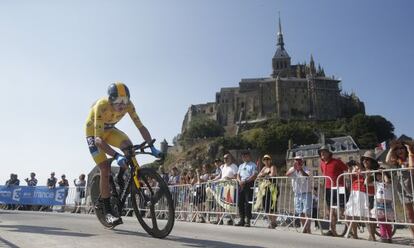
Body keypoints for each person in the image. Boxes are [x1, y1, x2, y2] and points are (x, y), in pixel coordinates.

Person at [85, 82, 161, 225]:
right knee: (105, 169)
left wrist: (152, 147)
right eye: (118, 101)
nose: (122, 105)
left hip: (110, 129)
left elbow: (140, 126)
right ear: (110, 99)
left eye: (125, 100)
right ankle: (107, 211)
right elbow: (98, 140)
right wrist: (116, 155)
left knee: (129, 147)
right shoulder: (101, 106)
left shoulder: (129, 106)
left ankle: (122, 176)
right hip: (94, 134)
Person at [385, 140, 414, 237]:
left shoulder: (411, 156)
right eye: (397, 149)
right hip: (404, 189)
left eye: (401, 148)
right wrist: (392, 148)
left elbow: (411, 167)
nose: (399, 150)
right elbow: (387, 160)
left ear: (405, 149)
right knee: (410, 215)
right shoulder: (397, 162)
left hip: (413, 186)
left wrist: (409, 150)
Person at [319, 145, 348, 236]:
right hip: (328, 188)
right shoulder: (322, 163)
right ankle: (332, 230)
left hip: (340, 188)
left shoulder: (337, 161)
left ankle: (350, 228)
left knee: (342, 210)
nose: (322, 153)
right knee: (330, 210)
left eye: (324, 151)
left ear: (329, 153)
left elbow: (347, 169)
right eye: (321, 152)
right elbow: (324, 175)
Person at [286, 155, 312, 233]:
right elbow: (287, 174)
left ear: (302, 161)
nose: (297, 161)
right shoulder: (292, 169)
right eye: (296, 160)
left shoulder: (307, 169)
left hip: (306, 193)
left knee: (307, 212)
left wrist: (300, 169)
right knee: (300, 212)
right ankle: (304, 228)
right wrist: (294, 168)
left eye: (299, 160)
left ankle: (308, 228)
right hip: (297, 193)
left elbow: (307, 176)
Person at [369, 168, 394, 243]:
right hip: (379, 204)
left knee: (388, 223)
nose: (379, 177)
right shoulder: (376, 183)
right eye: (377, 175)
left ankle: (389, 237)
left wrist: (384, 173)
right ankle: (383, 236)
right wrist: (369, 174)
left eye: (380, 175)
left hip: (388, 204)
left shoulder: (389, 182)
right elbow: (366, 183)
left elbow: (386, 181)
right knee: (381, 222)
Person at [235, 150, 258, 227]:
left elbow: (254, 175)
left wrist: (245, 181)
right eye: (243, 156)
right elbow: (238, 175)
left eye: (246, 156)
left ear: (249, 156)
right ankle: (242, 219)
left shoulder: (253, 165)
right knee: (240, 202)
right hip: (241, 184)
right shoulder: (241, 165)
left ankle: (248, 220)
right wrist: (239, 181)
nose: (244, 157)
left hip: (248, 184)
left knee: (248, 203)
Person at [256, 154, 278, 229]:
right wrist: (264, 174)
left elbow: (272, 174)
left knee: (272, 205)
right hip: (265, 188)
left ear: (270, 160)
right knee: (265, 205)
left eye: (268, 159)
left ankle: (273, 222)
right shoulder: (264, 168)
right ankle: (272, 221)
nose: (266, 161)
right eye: (265, 160)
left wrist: (264, 174)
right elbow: (258, 176)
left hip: (272, 188)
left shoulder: (273, 167)